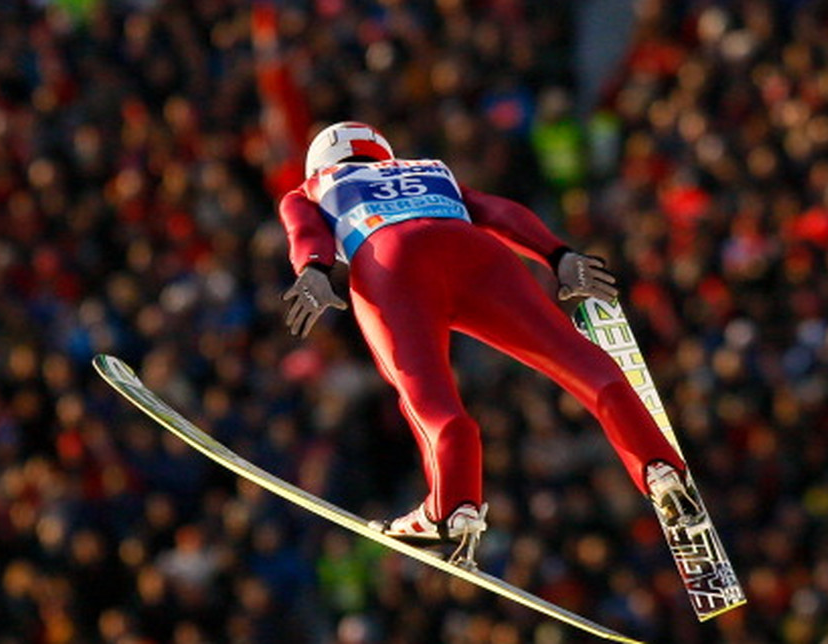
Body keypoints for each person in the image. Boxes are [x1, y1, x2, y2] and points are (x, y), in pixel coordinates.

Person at [278, 121, 698, 559]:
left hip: (391, 260)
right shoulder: (428, 169)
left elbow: (303, 230)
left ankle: (454, 506)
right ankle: (660, 467)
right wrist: (557, 254)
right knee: (577, 362)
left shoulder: (313, 185)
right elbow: (498, 210)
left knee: (428, 399)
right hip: (476, 253)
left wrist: (313, 269)